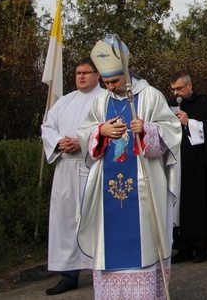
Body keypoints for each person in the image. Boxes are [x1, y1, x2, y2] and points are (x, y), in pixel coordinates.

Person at [77, 35, 182, 299]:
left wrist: (147, 129)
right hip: (108, 185)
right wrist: (100, 130)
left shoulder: (150, 96)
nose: (110, 87)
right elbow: (84, 131)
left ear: (126, 72)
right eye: (106, 82)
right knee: (108, 237)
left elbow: (173, 132)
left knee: (145, 240)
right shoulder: (101, 101)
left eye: (114, 81)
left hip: (144, 183)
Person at [40, 57, 102, 295]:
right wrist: (58, 142)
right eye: (78, 73)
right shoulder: (64, 102)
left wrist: (82, 143)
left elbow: (111, 129)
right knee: (66, 221)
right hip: (66, 170)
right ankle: (68, 275)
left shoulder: (104, 100)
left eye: (86, 73)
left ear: (97, 75)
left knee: (94, 220)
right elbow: (48, 126)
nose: (81, 77)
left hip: (92, 168)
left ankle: (100, 271)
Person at [169, 70, 207, 264]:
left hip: (199, 163)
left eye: (179, 88)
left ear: (189, 85)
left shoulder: (204, 103)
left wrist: (189, 123)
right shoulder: (172, 106)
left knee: (198, 204)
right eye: (173, 90)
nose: (176, 93)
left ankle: (201, 246)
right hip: (178, 162)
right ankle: (183, 247)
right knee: (179, 205)